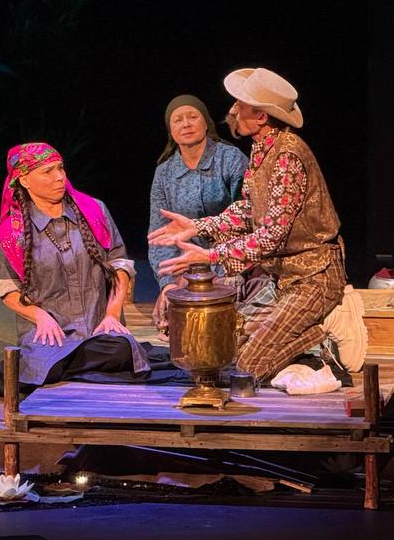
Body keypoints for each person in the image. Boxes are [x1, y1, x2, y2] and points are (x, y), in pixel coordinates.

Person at [148, 67, 353, 386]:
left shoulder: (287, 155)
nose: (233, 110)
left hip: (314, 277)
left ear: (260, 117)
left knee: (246, 368)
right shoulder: (262, 149)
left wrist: (211, 256)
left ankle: (323, 328)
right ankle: (308, 333)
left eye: (240, 104)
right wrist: (198, 226)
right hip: (283, 278)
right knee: (228, 348)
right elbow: (248, 210)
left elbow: (271, 236)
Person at [0, 142, 150, 397]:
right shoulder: (13, 233)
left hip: (98, 330)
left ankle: (24, 370)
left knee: (122, 352)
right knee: (46, 364)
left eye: (60, 168)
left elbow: (120, 263)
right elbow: (8, 289)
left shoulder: (94, 210)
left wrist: (112, 314)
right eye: (47, 171)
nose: (60, 177)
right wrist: (40, 316)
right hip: (51, 335)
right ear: (25, 181)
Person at [147, 94, 248, 332]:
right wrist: (168, 283)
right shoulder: (164, 173)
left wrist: (220, 267)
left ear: (206, 123)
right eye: (178, 120)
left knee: (218, 324)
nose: (186, 124)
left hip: (230, 263)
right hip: (188, 267)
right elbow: (159, 234)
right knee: (176, 320)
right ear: (170, 130)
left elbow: (247, 218)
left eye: (192, 117)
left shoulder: (230, 159)